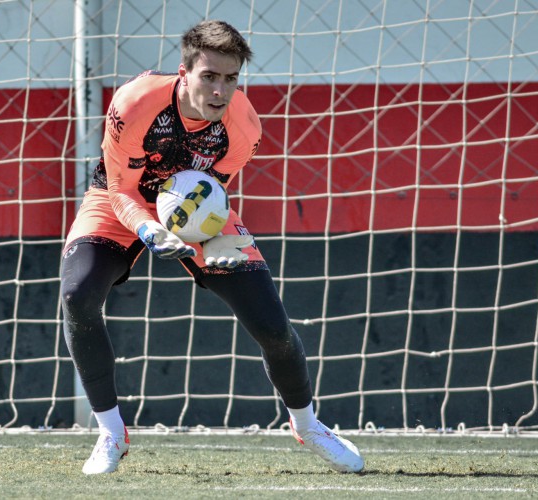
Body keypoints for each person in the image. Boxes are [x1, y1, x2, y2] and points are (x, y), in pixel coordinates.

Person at [60, 19, 364, 475]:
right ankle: (111, 432)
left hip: (195, 208)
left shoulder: (244, 127)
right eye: (209, 76)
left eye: (231, 78)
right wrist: (148, 230)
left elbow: (211, 191)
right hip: (118, 200)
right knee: (77, 294)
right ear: (183, 72)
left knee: (273, 325)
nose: (220, 90)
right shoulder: (133, 104)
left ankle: (308, 424)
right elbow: (121, 188)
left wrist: (214, 237)